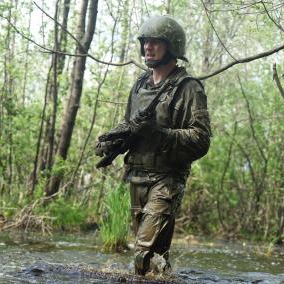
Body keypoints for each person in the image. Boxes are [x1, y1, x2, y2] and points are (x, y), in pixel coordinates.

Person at [95, 15, 211, 275]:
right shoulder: (140, 85)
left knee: (143, 257)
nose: (148, 47)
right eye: (145, 42)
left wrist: (158, 134)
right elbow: (130, 126)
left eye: (155, 42)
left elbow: (202, 140)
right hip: (136, 178)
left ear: (172, 47)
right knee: (154, 263)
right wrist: (111, 142)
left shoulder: (189, 88)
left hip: (166, 180)